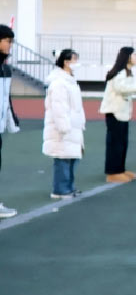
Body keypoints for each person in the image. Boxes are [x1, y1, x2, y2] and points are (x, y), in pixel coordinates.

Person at [101, 47, 136, 183]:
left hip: (122, 113)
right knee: (115, 143)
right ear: (127, 57)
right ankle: (112, 172)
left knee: (122, 143)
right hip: (115, 113)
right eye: (134, 55)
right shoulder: (119, 73)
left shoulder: (127, 72)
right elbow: (123, 89)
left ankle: (120, 170)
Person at [43, 48, 85, 200]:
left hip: (72, 126)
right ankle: (60, 189)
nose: (77, 63)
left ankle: (68, 187)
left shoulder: (70, 80)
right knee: (63, 158)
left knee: (71, 157)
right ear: (66, 62)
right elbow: (59, 107)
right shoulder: (60, 82)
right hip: (63, 128)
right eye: (74, 59)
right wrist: (64, 126)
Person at [0, 25, 19, 218]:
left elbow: (6, 99)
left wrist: (11, 123)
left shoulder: (5, 68)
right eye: (7, 40)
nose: (10, 45)